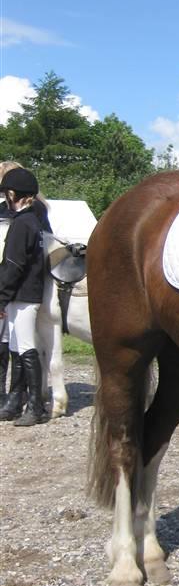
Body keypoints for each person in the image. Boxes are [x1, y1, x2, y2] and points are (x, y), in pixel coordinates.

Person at [0, 167, 49, 425]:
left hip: (23, 294)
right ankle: (16, 403)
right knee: (17, 348)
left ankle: (36, 407)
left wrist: (1, 298)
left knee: (27, 348)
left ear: (12, 194)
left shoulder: (21, 224)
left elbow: (13, 265)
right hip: (24, 294)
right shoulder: (33, 222)